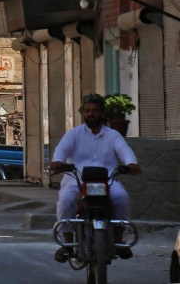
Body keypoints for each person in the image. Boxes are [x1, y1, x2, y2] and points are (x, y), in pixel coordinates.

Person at [50, 94, 141, 263]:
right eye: (87, 111)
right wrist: (57, 161)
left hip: (107, 180)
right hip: (76, 180)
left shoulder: (113, 135)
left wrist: (131, 163)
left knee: (121, 197)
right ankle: (68, 243)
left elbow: (124, 150)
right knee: (66, 199)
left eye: (95, 111)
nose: (91, 114)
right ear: (83, 113)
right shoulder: (74, 134)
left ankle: (118, 239)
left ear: (102, 113)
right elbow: (62, 149)